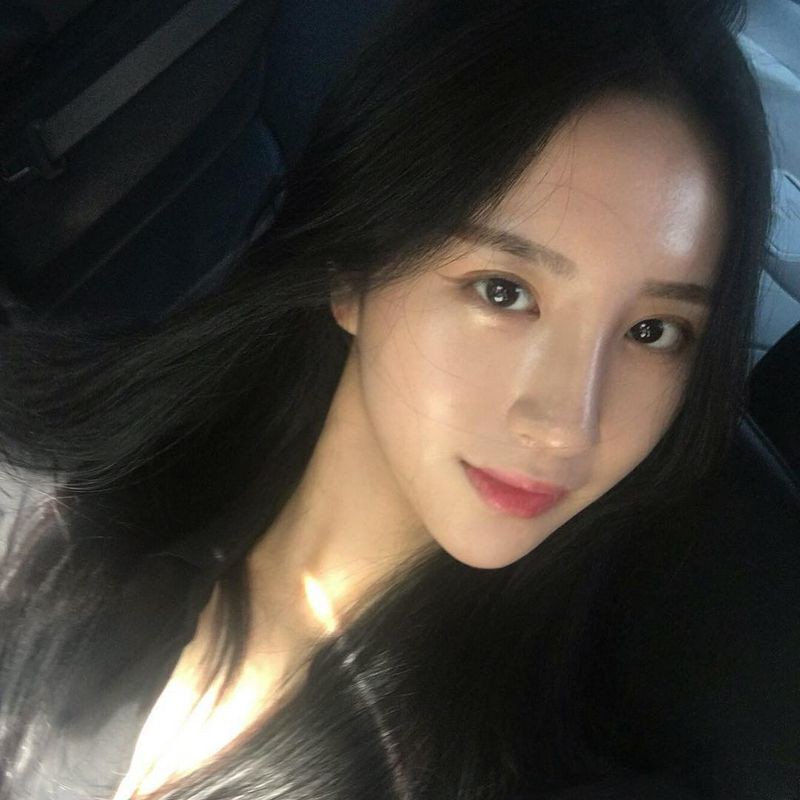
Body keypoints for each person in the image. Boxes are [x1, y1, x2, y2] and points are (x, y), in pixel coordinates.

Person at [0, 0, 775, 798]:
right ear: (354, 271)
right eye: (503, 291)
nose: (567, 427)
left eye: (652, 332)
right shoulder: (59, 494)